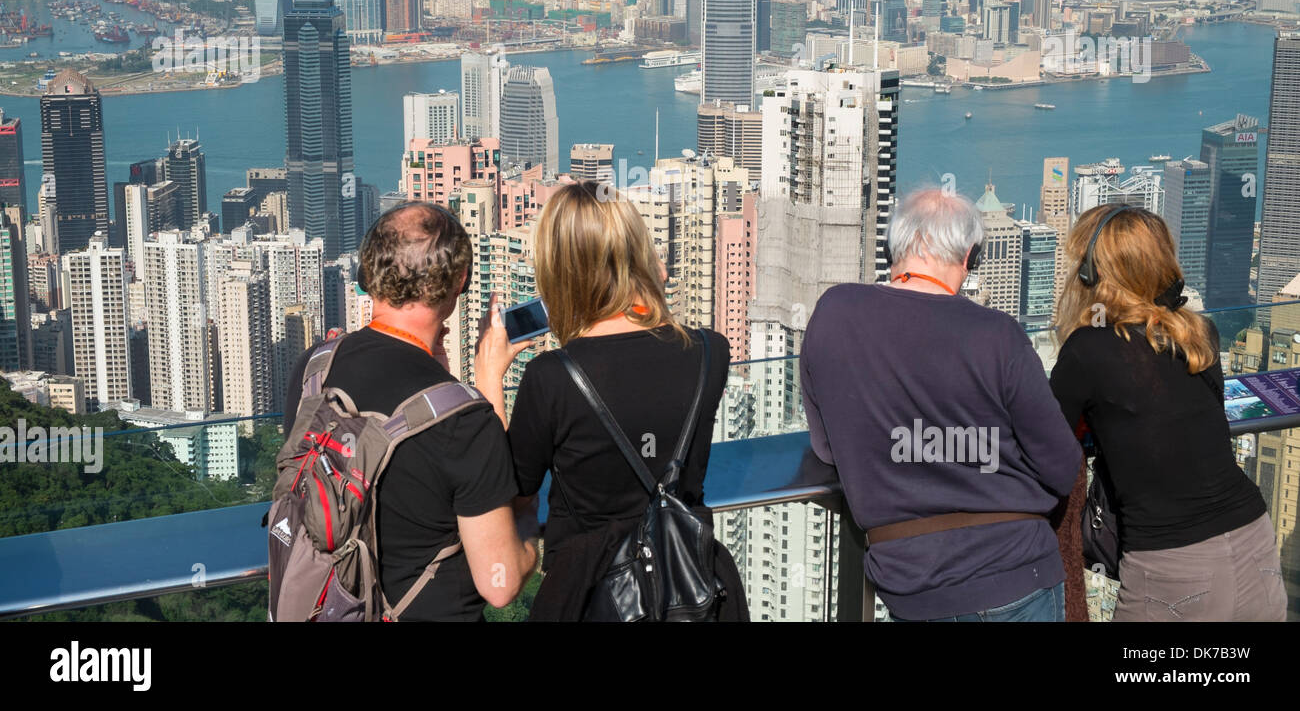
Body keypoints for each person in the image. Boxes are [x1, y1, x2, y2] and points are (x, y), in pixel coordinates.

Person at [800, 187, 1082, 621]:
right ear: (969, 258)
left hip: (911, 583)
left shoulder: (834, 313)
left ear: (895, 246)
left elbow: (827, 449)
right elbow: (1062, 466)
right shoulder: (997, 335)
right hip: (1017, 575)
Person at [475, 180, 746, 620]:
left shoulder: (552, 378)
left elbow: (511, 495)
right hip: (695, 591)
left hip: (589, 595)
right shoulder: (711, 353)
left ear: (560, 273)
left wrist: (489, 376)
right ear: (640, 253)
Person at [284, 202, 538, 620]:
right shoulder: (464, 422)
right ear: (459, 282)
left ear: (369, 274)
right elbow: (500, 583)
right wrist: (526, 523)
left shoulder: (315, 368)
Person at [1051, 205, 1286, 621]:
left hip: (1172, 567)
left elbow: (1044, 444)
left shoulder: (1087, 349)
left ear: (1092, 273)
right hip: (1255, 542)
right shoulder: (1201, 333)